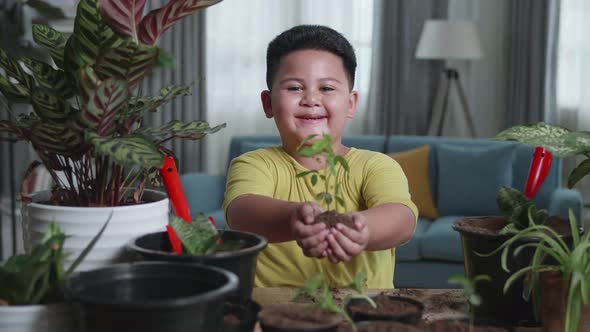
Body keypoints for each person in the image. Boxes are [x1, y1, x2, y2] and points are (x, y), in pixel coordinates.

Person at [223, 25, 417, 289]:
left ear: (350, 104)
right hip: (275, 315)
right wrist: (293, 218)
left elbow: (402, 218)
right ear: (268, 104)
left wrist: (358, 229)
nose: (311, 99)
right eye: (294, 88)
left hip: (362, 314)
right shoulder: (254, 164)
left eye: (326, 88)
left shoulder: (376, 165)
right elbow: (241, 213)